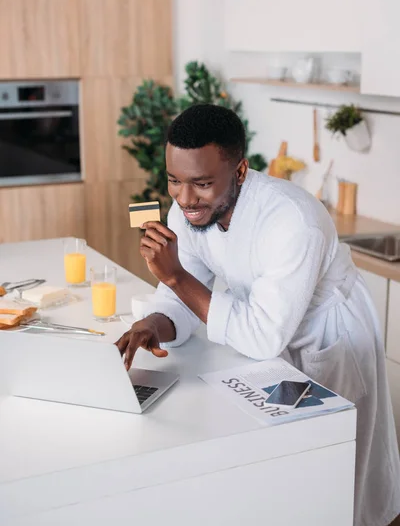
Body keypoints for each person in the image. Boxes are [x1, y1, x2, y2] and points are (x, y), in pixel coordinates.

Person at [116, 104, 400, 526]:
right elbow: (182, 300)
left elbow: (262, 335)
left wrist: (175, 276)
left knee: (342, 475)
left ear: (241, 171)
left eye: (202, 183)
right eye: (174, 180)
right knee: (285, 474)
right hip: (263, 336)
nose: (185, 198)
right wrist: (153, 324)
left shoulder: (293, 221)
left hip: (329, 338)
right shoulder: (187, 211)